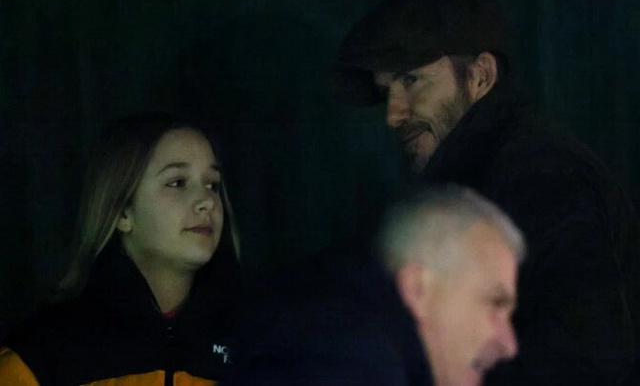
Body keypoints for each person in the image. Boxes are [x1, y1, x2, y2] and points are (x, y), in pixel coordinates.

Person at [330, 0, 640, 384]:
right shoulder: (482, 176)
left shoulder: (543, 179)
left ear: (480, 76)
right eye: (386, 90)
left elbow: (584, 363)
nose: (393, 114)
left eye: (411, 80)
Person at [0, 111, 241, 385]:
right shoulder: (42, 356)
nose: (207, 201)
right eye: (177, 183)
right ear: (122, 212)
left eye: (213, 185)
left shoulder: (256, 341)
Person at [230, 185, 524, 386]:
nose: (508, 345)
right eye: (495, 303)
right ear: (418, 289)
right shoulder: (349, 361)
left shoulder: (344, 343)